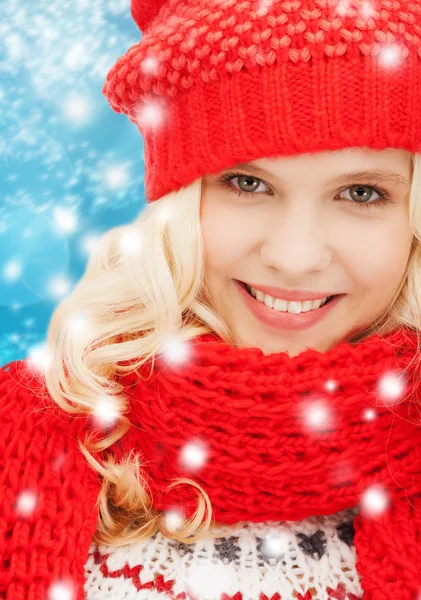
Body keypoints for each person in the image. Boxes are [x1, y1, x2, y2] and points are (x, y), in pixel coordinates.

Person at [1, 0, 421, 599]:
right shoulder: (18, 431)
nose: (294, 256)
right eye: (247, 183)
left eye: (361, 192)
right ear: (175, 205)